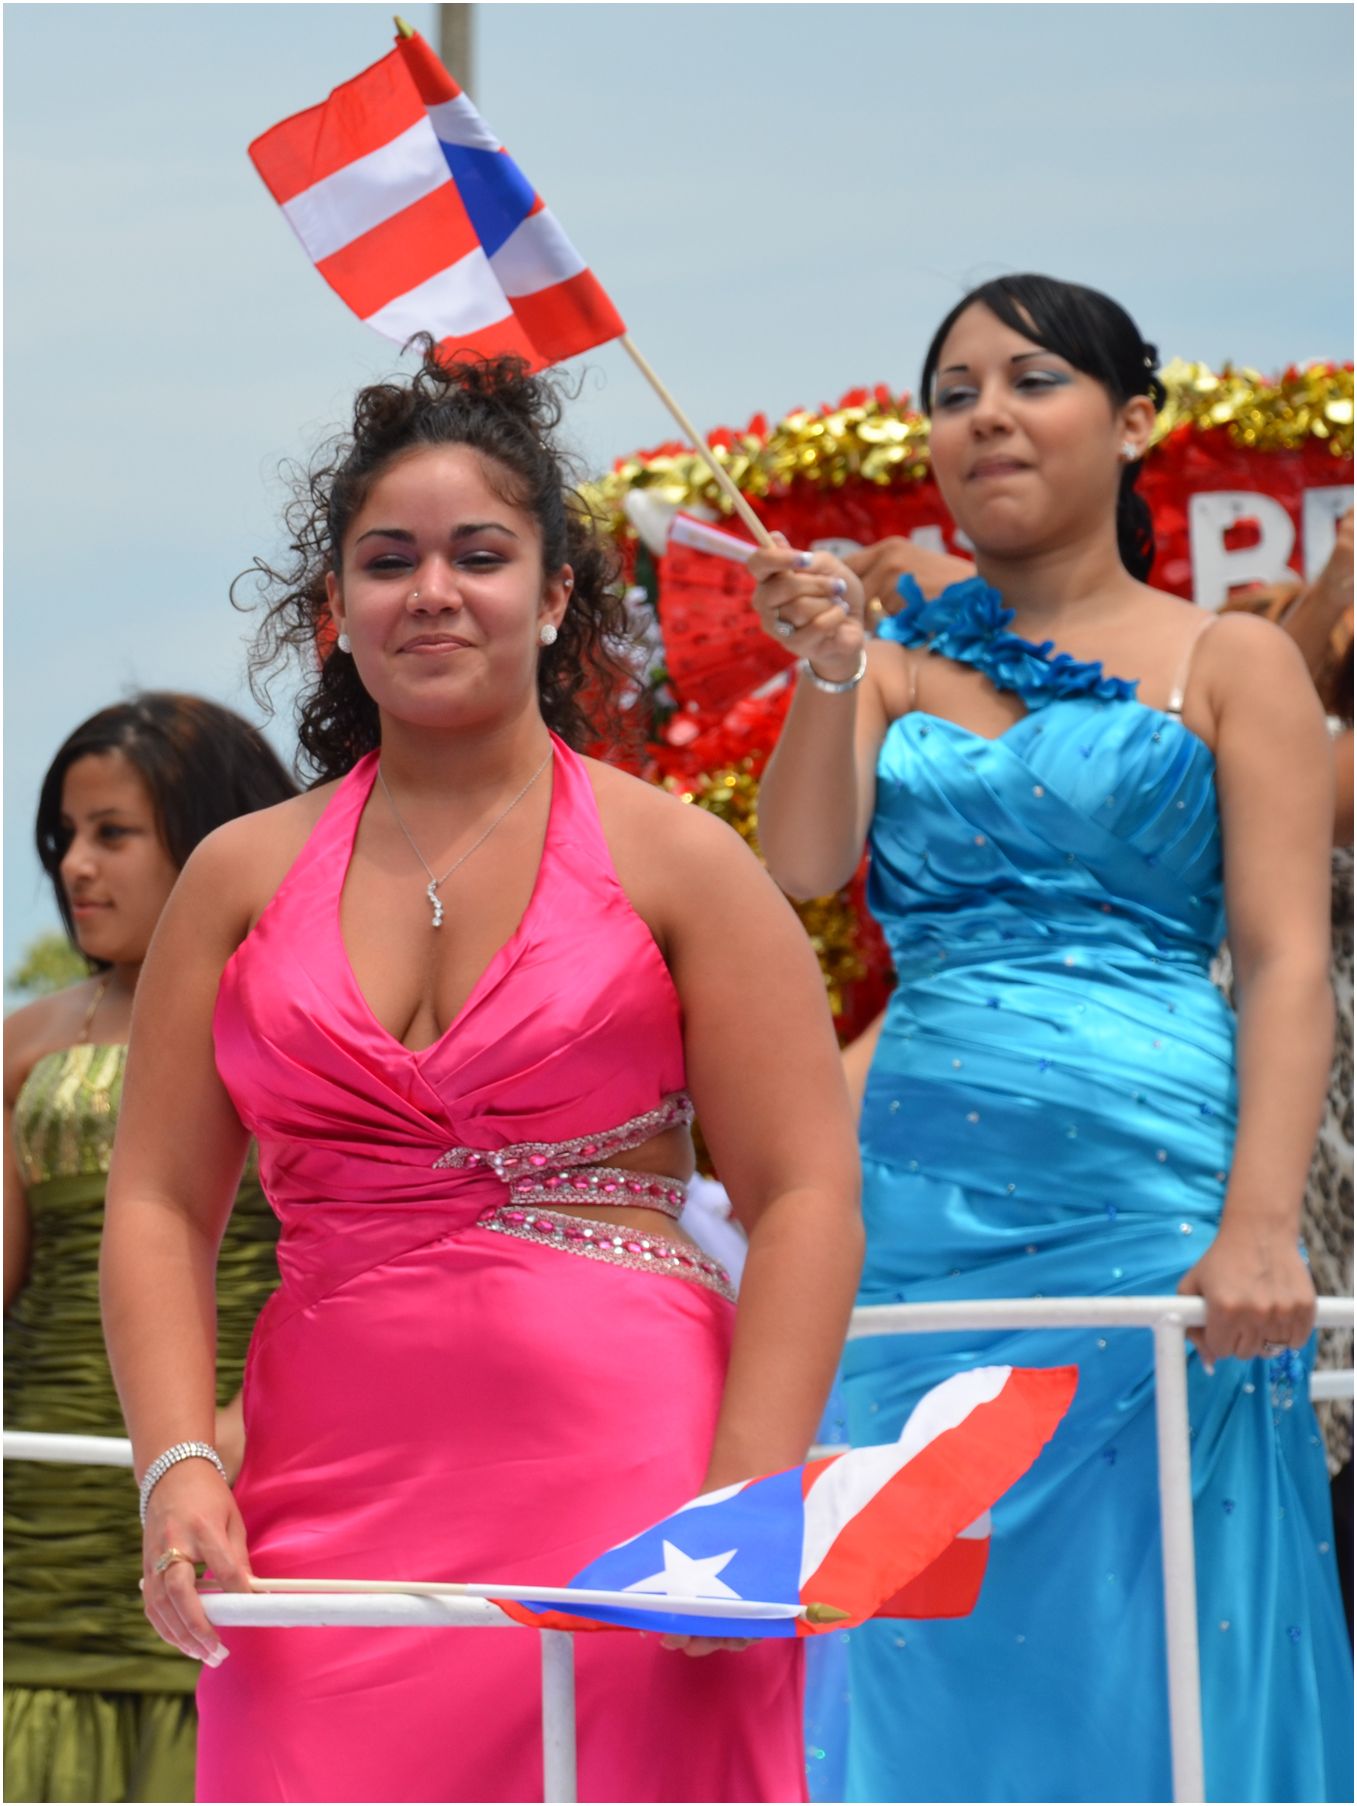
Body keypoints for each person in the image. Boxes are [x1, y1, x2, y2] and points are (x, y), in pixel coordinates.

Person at [100, 346, 864, 1804]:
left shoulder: (680, 859)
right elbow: (157, 1203)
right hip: (316, 1495)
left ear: (556, 595)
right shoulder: (236, 878)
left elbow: (806, 1193)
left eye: (480, 555)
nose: (433, 590)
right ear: (333, 611)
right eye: (388, 561)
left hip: (638, 1485)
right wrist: (177, 1463)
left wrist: (745, 1499)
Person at [751, 274, 1352, 1803]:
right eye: (953, 395)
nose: (988, 418)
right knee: (914, 1619)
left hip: (1157, 1210)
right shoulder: (889, 661)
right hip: (915, 1221)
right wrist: (828, 667)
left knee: (1168, 1619)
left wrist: (1261, 1223)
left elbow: (1285, 962)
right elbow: (801, 863)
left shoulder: (1230, 661)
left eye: (1030, 382)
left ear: (1133, 419)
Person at [4, 694, 296, 1803]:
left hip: (240, 1477)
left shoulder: (303, 1031)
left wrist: (231, 1436)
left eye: (112, 833)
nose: (74, 866)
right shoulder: (25, 1041)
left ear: (210, 832)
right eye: (63, 837)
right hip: (35, 1506)